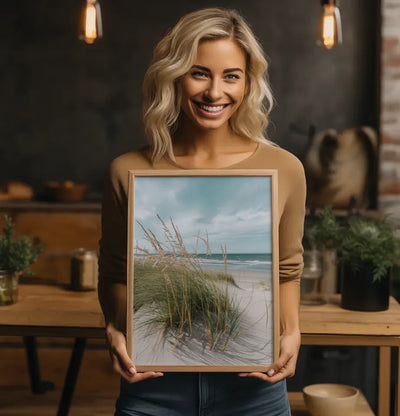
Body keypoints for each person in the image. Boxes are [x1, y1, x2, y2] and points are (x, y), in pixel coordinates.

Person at [98, 7, 306, 416]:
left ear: (248, 84)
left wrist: (292, 332)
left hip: (254, 393)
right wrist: (114, 328)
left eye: (231, 76)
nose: (215, 93)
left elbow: (286, 270)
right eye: (199, 73)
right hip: (152, 390)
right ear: (173, 76)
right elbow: (114, 272)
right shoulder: (128, 170)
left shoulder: (285, 169)